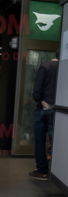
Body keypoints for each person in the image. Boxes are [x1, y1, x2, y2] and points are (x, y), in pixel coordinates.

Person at [29, 50, 59, 180]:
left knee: (40, 142)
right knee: (56, 142)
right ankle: (57, 172)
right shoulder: (64, 68)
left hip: (42, 110)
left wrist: (43, 103)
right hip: (59, 111)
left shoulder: (45, 66)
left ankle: (42, 171)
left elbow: (36, 90)